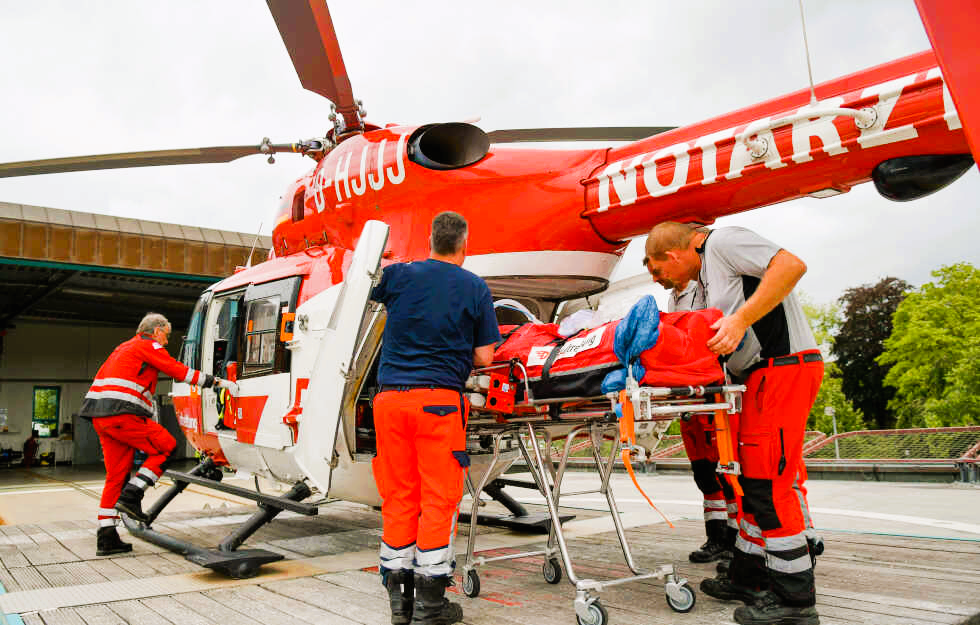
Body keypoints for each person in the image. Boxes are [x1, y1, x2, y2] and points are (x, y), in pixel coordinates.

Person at [644, 222, 823, 625]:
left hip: (782, 368)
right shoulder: (706, 273)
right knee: (749, 481)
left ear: (672, 255)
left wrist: (740, 319)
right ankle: (750, 574)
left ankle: (795, 601)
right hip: (756, 377)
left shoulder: (724, 241)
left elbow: (791, 266)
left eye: (658, 269)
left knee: (769, 484)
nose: (659, 278)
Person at [370, 211, 499, 625]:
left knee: (399, 496)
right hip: (438, 404)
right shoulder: (474, 286)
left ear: (429, 241)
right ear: (464, 245)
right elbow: (485, 356)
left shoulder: (399, 275)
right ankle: (430, 606)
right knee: (438, 499)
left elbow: (365, 285)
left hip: (389, 402)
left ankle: (399, 605)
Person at [78, 313, 236, 557]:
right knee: (167, 446)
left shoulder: (123, 347)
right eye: (166, 335)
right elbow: (178, 371)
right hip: (123, 414)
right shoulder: (148, 345)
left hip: (100, 416)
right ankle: (133, 494)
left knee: (116, 476)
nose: (166, 341)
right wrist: (215, 382)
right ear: (157, 331)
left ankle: (106, 536)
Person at [663, 278, 739, 565]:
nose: (655, 277)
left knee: (726, 471)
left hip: (712, 390)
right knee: (704, 473)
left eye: (657, 268)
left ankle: (736, 539)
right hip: (690, 396)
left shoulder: (705, 290)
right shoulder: (674, 298)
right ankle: (716, 537)